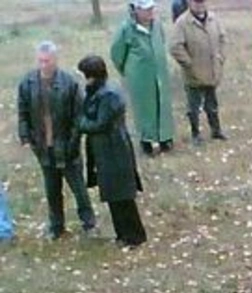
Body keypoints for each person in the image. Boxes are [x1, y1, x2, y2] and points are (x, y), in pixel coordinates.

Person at [16, 41, 97, 239]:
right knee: (52, 189)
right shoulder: (28, 83)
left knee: (78, 187)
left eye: (47, 61)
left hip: (67, 145)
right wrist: (26, 136)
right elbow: (23, 112)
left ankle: (89, 223)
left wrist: (73, 141)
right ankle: (56, 226)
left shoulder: (69, 83)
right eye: (41, 61)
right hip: (43, 146)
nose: (43, 65)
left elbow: (78, 116)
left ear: (55, 60)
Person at [77, 55, 147, 248]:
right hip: (106, 151)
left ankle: (133, 235)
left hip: (114, 151)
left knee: (122, 197)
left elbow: (99, 123)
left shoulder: (108, 95)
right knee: (114, 196)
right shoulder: (99, 91)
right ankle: (122, 235)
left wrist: (80, 123)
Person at [111, 0, 176, 155]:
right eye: (146, 10)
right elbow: (117, 54)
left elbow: (161, 42)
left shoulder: (157, 25)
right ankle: (147, 140)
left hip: (159, 74)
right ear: (136, 10)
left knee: (163, 105)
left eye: (152, 9)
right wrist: (130, 71)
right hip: (140, 78)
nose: (150, 12)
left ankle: (165, 137)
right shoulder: (126, 29)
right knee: (145, 108)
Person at [170, 0, 227, 144]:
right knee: (194, 107)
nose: (200, 5)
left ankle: (216, 130)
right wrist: (189, 63)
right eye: (196, 2)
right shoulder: (182, 23)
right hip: (193, 75)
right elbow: (175, 47)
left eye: (202, 2)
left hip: (211, 72)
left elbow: (222, 39)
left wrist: (220, 58)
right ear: (189, 3)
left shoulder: (214, 20)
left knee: (212, 105)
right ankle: (195, 133)